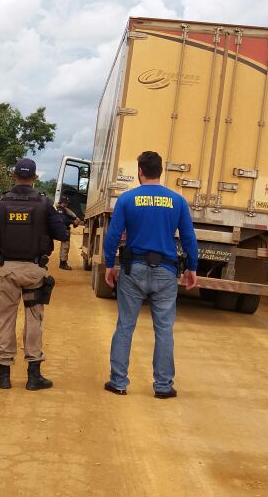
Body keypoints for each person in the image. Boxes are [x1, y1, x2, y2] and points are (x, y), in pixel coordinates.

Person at [102, 151, 198, 399]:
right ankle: (163, 386)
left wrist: (109, 265)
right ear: (161, 171)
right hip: (166, 272)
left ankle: (118, 382)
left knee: (125, 326)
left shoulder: (126, 199)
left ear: (140, 171)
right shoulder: (177, 201)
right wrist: (192, 268)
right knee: (164, 330)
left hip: (133, 271)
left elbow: (113, 235)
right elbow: (188, 238)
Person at [0, 158, 69, 391]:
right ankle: (33, 375)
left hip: (7, 269)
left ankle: (3, 374)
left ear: (14, 176)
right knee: (33, 319)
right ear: (35, 177)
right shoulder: (43, 204)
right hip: (34, 271)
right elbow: (62, 233)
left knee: (4, 319)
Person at [56, 196, 82, 270]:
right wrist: (73, 221)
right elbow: (63, 220)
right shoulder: (60, 210)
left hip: (63, 229)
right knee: (65, 246)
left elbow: (69, 217)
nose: (66, 204)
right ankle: (63, 263)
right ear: (62, 203)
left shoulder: (64, 210)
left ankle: (62, 262)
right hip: (63, 229)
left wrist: (74, 219)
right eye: (65, 203)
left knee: (64, 246)